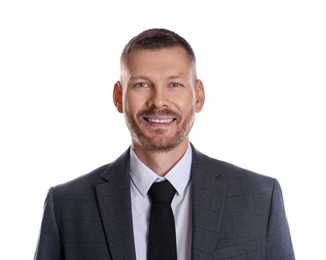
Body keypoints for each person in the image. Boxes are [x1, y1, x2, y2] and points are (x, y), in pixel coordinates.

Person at [34, 28, 295, 260]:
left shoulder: (260, 199)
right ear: (118, 97)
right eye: (142, 84)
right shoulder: (67, 206)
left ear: (199, 96)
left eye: (175, 84)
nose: (159, 101)